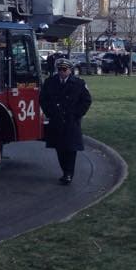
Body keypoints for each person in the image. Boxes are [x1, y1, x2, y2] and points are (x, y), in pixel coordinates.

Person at [39, 57, 92, 185]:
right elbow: (43, 99)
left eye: (64, 69)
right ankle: (65, 171)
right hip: (56, 120)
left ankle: (69, 173)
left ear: (70, 70)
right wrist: (50, 113)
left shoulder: (79, 83)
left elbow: (86, 101)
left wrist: (77, 114)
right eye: (59, 69)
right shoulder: (50, 82)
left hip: (71, 121)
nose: (61, 72)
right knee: (59, 148)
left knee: (71, 148)